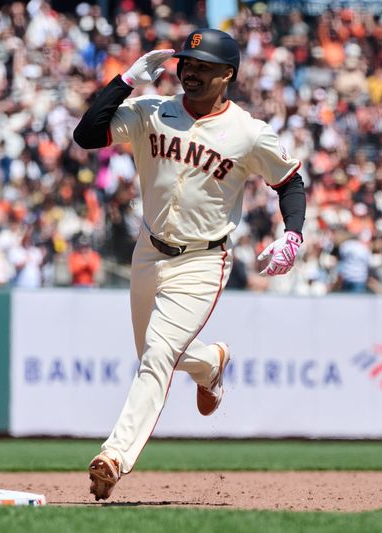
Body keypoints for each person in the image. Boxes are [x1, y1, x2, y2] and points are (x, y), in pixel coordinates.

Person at [73, 29, 307, 500]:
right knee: (154, 354)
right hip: (149, 250)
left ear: (228, 75)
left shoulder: (248, 132)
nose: (191, 71)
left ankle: (114, 456)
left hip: (203, 260)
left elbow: (289, 182)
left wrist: (293, 233)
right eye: (186, 62)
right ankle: (209, 363)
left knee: (158, 355)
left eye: (202, 65)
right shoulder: (152, 110)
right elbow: (86, 136)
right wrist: (126, 80)